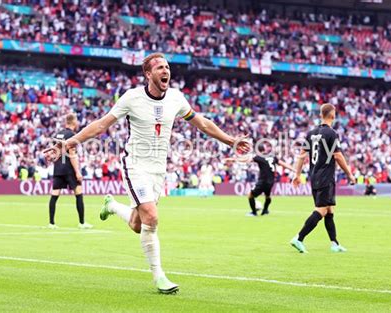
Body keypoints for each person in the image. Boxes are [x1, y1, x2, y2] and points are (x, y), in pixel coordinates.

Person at [44, 53, 250, 294]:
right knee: (151, 217)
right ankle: (159, 277)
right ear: (148, 74)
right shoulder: (132, 98)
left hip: (158, 169)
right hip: (135, 164)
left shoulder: (176, 98)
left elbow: (202, 123)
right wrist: (69, 143)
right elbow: (101, 124)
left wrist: (230, 141)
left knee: (137, 224)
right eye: (160, 67)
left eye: (167, 67)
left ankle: (111, 206)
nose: (166, 71)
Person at [290, 104, 356, 253]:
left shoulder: (311, 133)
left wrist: (297, 175)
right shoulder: (331, 133)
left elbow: (301, 156)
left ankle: (334, 243)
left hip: (314, 177)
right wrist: (349, 174)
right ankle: (299, 238)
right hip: (325, 177)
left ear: (321, 115)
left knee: (329, 210)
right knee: (321, 210)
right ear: (333, 115)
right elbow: (338, 155)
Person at [48, 113, 92, 229]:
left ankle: (51, 223)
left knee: (54, 195)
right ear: (73, 122)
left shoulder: (57, 134)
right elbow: (72, 154)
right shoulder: (72, 135)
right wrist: (77, 171)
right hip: (69, 169)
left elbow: (53, 154)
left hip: (58, 168)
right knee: (78, 193)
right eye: (76, 120)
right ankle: (82, 223)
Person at [225, 143, 295, 216]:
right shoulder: (272, 156)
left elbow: (246, 160)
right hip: (271, 181)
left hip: (263, 181)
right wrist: (293, 169)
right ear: (264, 149)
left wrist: (233, 159)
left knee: (250, 195)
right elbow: (283, 163)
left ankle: (254, 212)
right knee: (267, 196)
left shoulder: (259, 157)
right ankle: (265, 211)